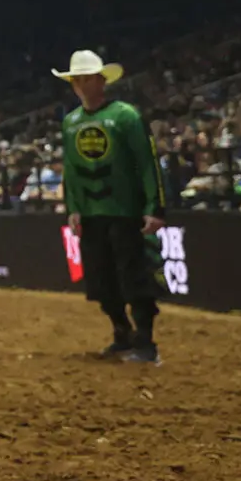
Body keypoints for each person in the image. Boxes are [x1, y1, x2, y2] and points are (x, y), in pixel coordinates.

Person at [56, 50, 167, 364]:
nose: (81, 84)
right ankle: (122, 332)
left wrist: (154, 206)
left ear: (101, 80)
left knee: (134, 277)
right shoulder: (71, 123)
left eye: (87, 78)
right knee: (102, 280)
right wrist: (73, 207)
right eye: (76, 80)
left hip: (124, 211)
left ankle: (145, 341)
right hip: (92, 213)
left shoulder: (126, 116)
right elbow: (71, 168)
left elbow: (147, 164)